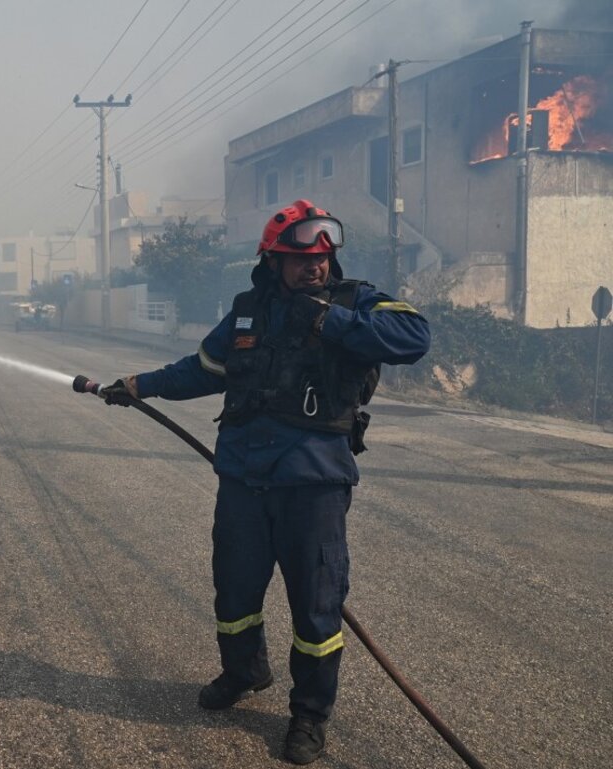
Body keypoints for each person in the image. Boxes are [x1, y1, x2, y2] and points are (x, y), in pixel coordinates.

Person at [100, 199, 430, 765]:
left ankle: (309, 714)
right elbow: (202, 369)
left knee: (316, 609)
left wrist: (327, 320)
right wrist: (139, 385)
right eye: (300, 259)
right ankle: (244, 672)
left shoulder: (355, 302)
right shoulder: (247, 312)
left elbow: (414, 337)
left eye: (322, 257)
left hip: (313, 485)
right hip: (244, 479)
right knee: (234, 593)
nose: (314, 267)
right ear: (272, 261)